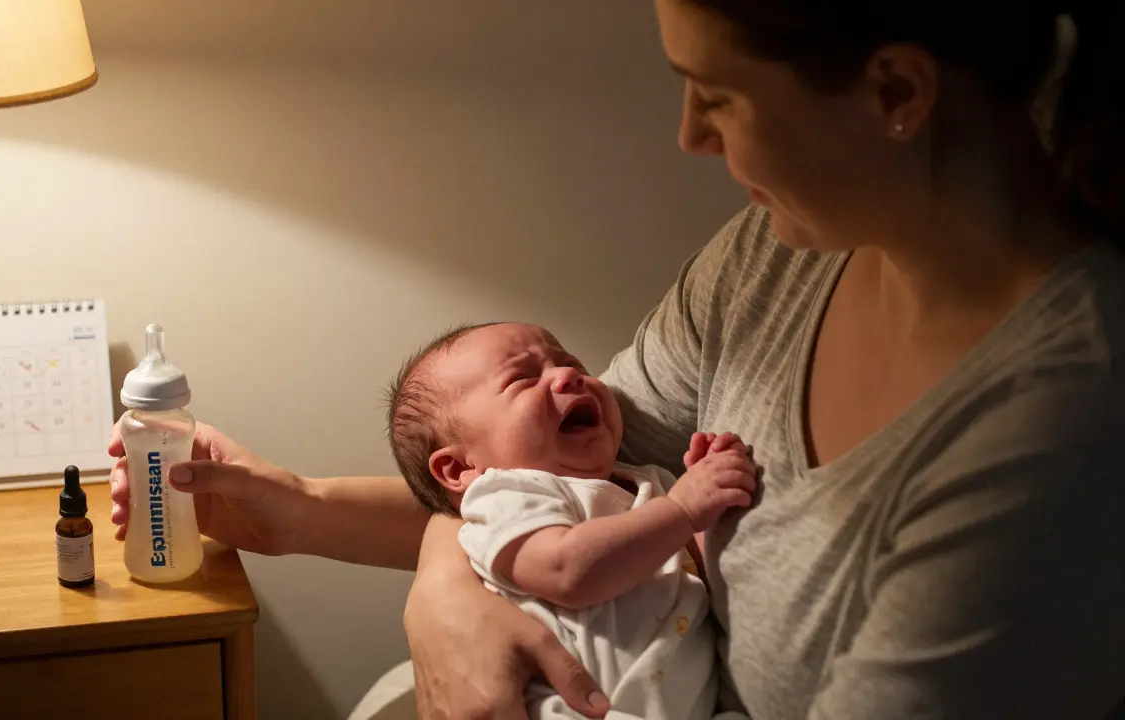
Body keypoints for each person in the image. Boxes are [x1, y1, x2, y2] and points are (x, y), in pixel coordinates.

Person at [109, 2, 1125, 718]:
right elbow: (534, 482)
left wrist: (455, 584)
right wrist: (307, 514)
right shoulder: (773, 259)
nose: (686, 136)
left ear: (894, 89)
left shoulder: (1054, 433)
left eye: (714, 96)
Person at [383, 320, 757, 719]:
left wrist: (710, 489)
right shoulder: (505, 498)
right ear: (460, 468)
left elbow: (694, 568)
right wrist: (683, 508)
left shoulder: (646, 480)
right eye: (522, 379)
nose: (567, 377)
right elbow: (568, 570)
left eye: (573, 364)